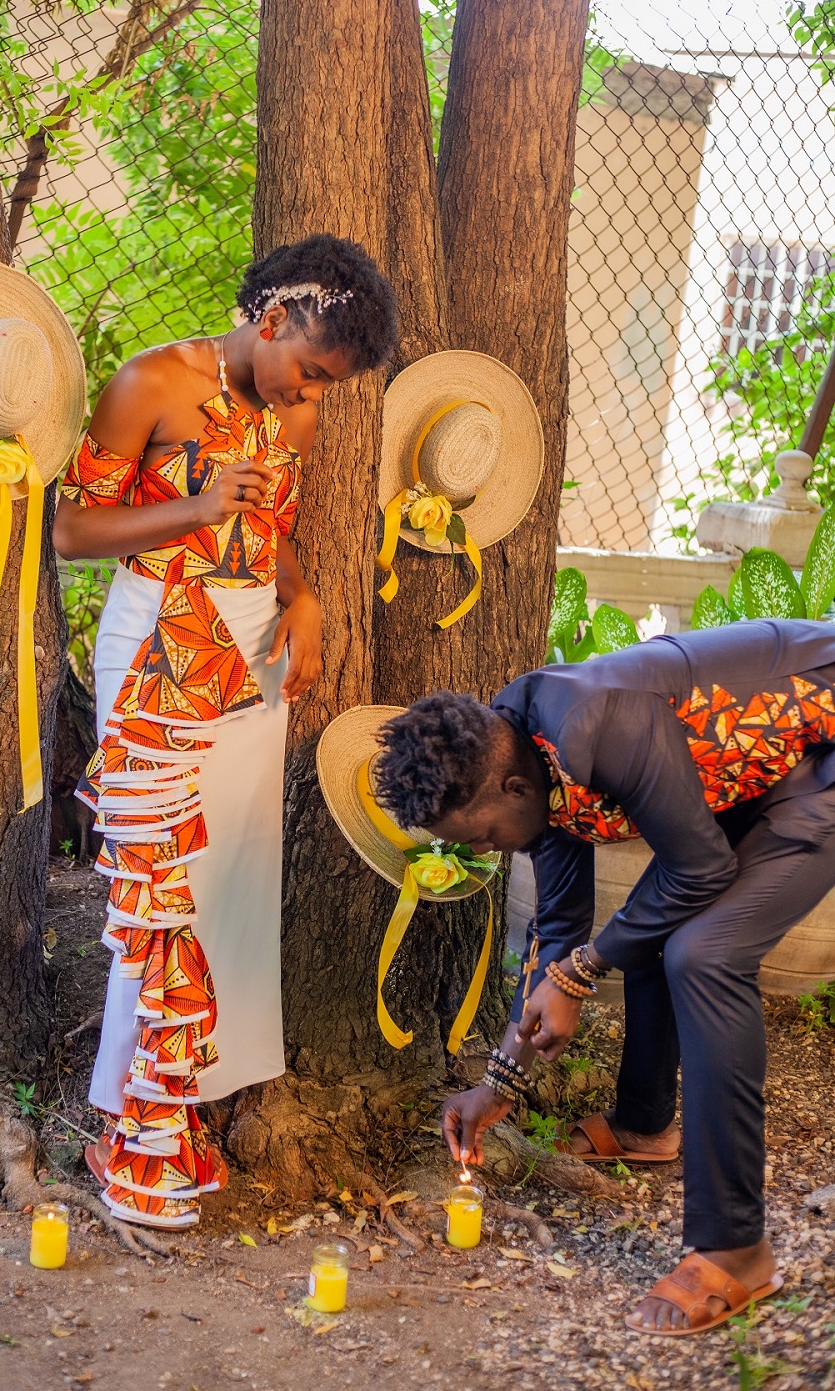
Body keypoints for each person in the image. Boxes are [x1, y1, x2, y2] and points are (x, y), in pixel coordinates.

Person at [54, 234, 398, 1228]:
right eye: (310, 372)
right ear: (274, 318)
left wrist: (306, 602)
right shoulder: (150, 382)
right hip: (158, 642)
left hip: (251, 659)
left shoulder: (300, 408)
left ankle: (176, 1109)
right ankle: (136, 1139)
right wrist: (195, 504)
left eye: (327, 386)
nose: (309, 398)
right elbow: (72, 533)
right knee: (160, 893)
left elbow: (269, 529)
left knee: (227, 891)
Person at [371, 619, 835, 1334]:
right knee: (650, 933)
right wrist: (501, 1080)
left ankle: (736, 1246)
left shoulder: (596, 725)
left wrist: (583, 971)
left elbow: (699, 871)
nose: (489, 850)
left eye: (484, 836)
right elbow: (558, 928)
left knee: (704, 954)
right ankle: (645, 1128)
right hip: (761, 770)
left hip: (820, 750)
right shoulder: (520, 752)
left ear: (513, 786)